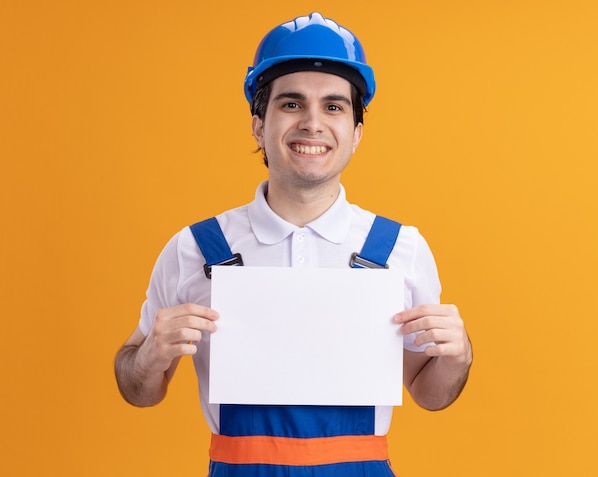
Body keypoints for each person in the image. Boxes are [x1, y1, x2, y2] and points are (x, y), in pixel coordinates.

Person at [115, 12, 472, 477]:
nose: (312, 122)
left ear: (356, 133)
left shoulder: (399, 248)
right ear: (258, 125)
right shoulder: (196, 249)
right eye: (290, 104)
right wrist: (149, 356)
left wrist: (459, 354)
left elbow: (430, 394)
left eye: (334, 107)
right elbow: (139, 388)